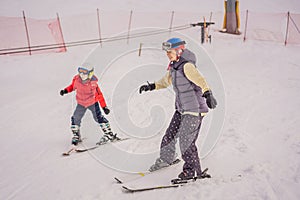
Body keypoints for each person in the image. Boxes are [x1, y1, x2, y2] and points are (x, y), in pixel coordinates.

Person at [139, 38, 217, 180]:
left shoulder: (187, 66)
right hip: (182, 109)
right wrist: (151, 86)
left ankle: (191, 171)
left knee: (186, 141)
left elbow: (201, 80)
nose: (168, 55)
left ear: (179, 51)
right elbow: (164, 82)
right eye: (167, 52)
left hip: (194, 109)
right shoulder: (174, 67)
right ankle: (166, 159)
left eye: (170, 52)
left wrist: (208, 93)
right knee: (170, 135)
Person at [60, 62, 118, 146]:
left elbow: (99, 95)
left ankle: (109, 134)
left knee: (98, 118)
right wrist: (65, 90)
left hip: (92, 103)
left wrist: (104, 107)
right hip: (81, 103)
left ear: (90, 74)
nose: (81, 74)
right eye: (80, 71)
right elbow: (72, 86)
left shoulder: (93, 84)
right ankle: (76, 135)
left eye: (84, 72)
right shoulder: (76, 80)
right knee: (75, 117)